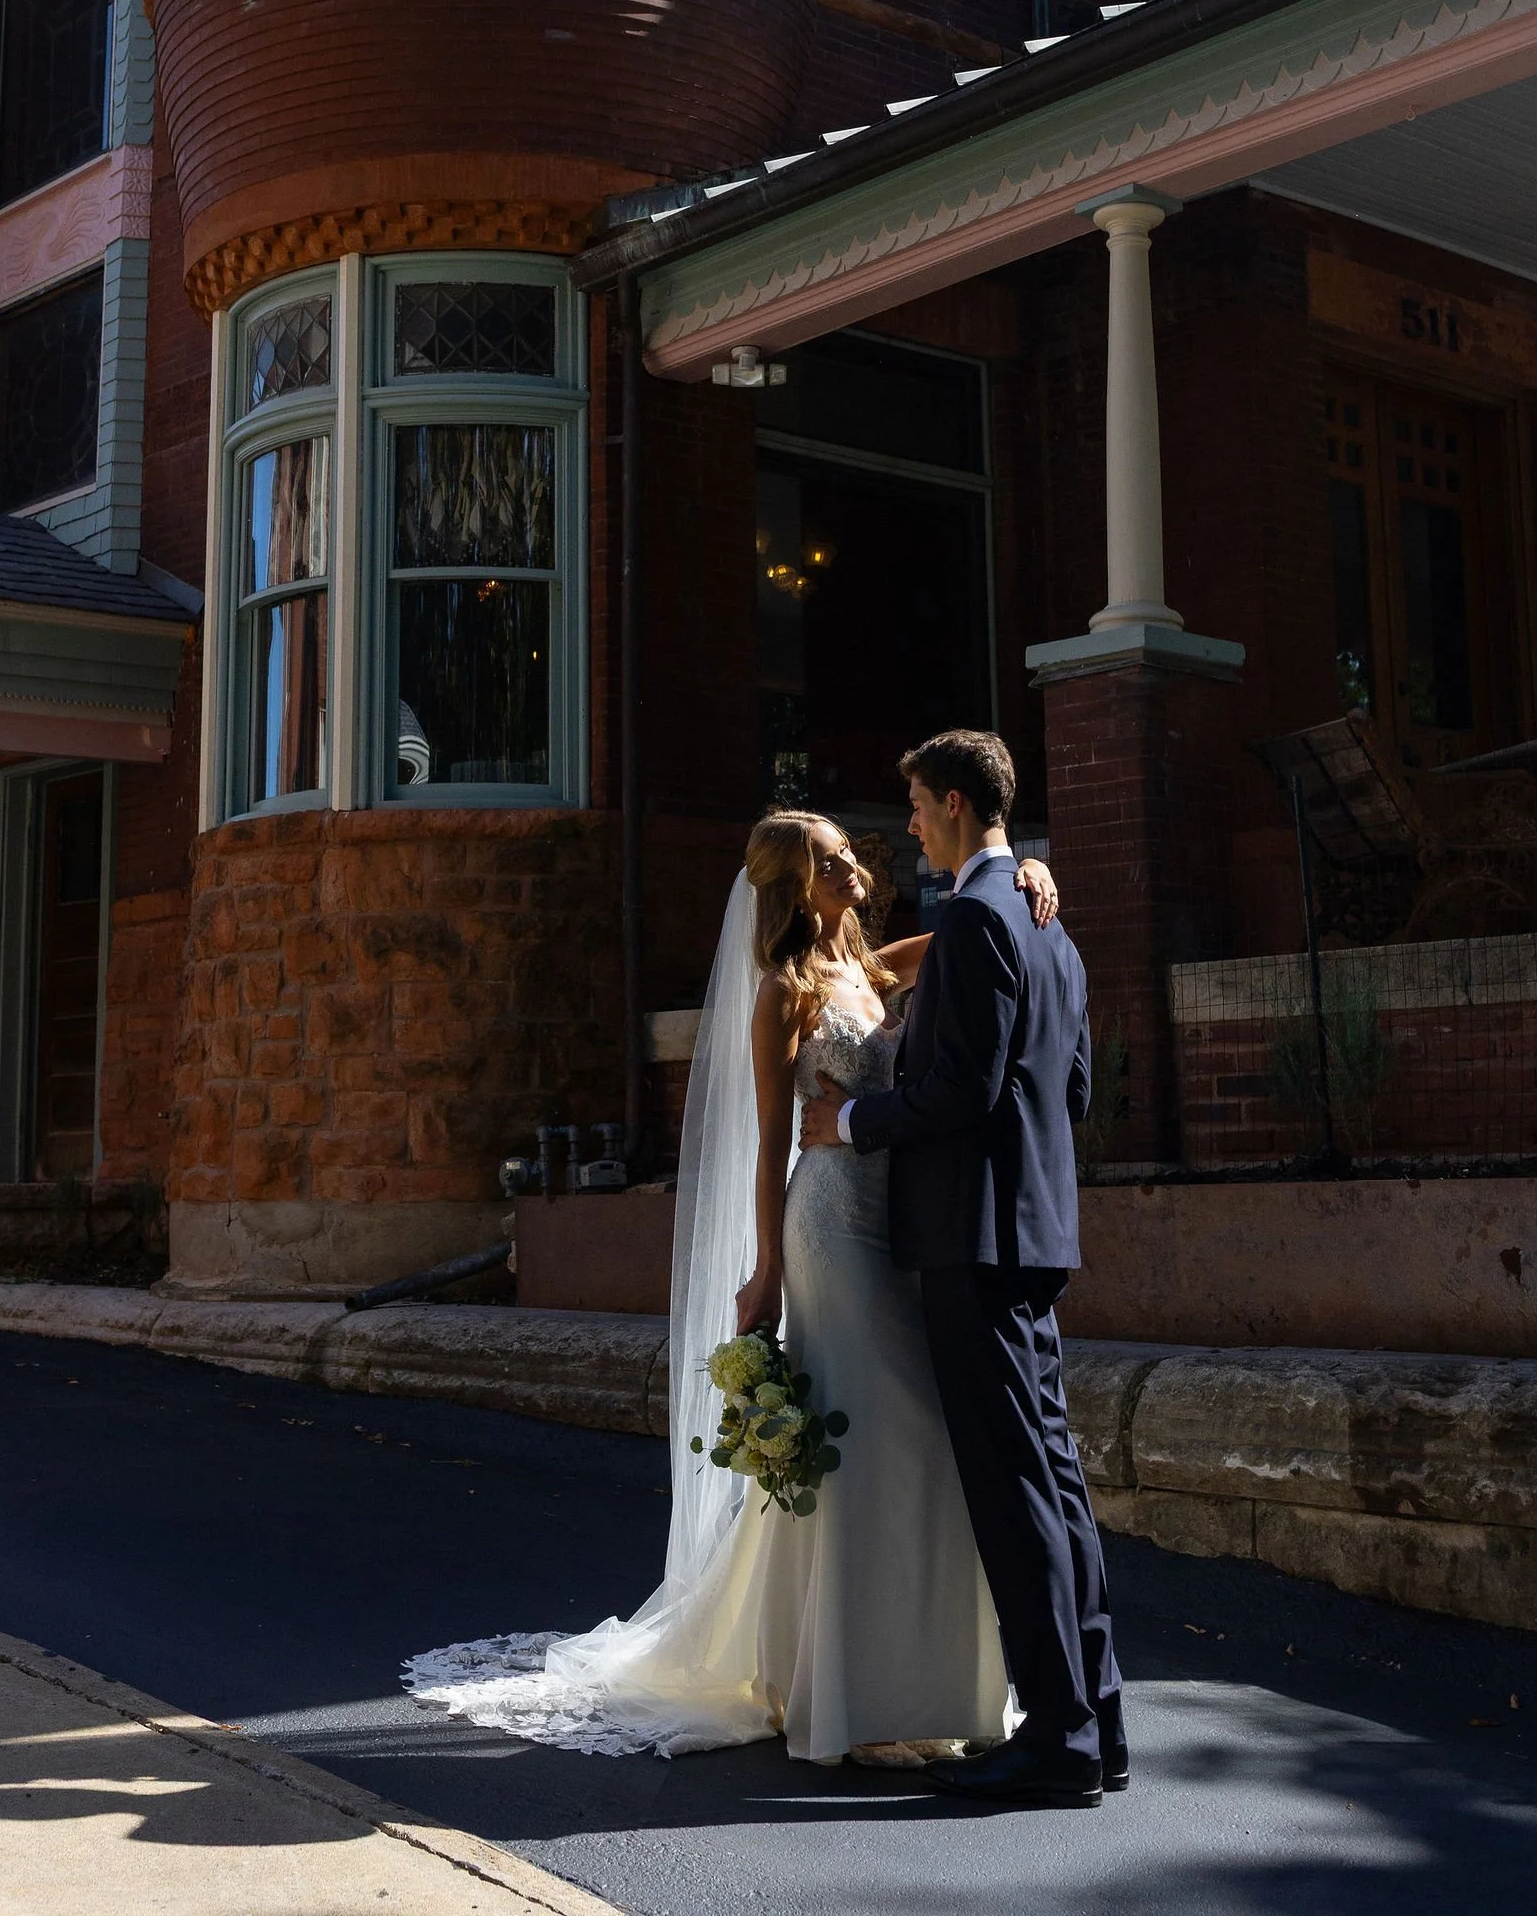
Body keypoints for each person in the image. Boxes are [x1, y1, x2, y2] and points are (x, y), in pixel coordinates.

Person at [401, 808, 1060, 1763]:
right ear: (794, 885)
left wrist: (1036, 880)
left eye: (847, 857)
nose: (854, 872)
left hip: (899, 1227)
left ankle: (870, 1673)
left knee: (894, 1443)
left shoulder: (871, 972)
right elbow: (766, 1145)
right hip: (831, 1229)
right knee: (879, 1434)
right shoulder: (783, 993)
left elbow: (969, 931)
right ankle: (848, 1691)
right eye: (831, 864)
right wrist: (766, 1269)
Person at [799, 728, 1123, 1806]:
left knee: (1011, 1485)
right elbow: (1065, 1092)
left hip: (971, 1238)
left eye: (913, 808)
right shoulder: (1046, 925)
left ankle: (1060, 1735)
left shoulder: (982, 915)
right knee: (1054, 1481)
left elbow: (960, 1093)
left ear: (947, 804)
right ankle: (1097, 1719)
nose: (907, 828)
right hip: (1029, 1230)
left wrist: (850, 1119)